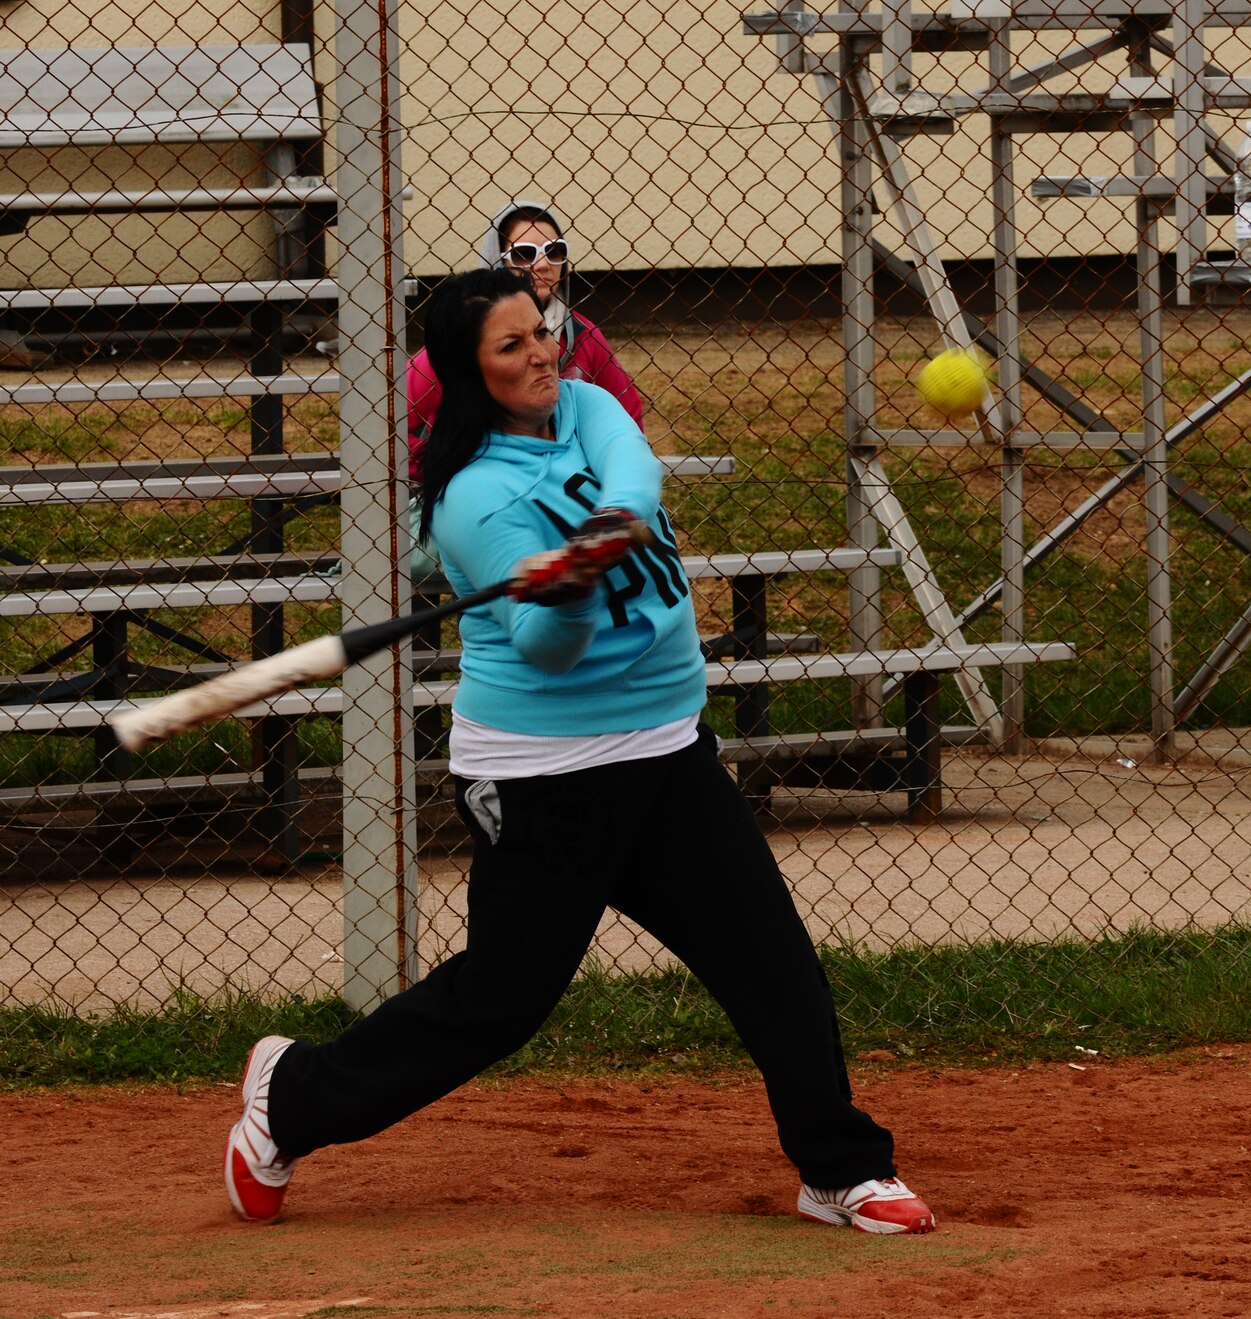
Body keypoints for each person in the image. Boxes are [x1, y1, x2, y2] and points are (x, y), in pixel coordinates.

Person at [224, 267, 935, 1237]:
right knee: (499, 1003)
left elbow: (635, 475)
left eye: (541, 330)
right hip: (543, 781)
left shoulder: (588, 408)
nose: (540, 353)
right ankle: (291, 1094)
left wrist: (600, 536)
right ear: (471, 376)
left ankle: (840, 1167)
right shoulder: (473, 502)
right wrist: (558, 595)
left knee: (770, 960)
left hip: (665, 753)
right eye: (510, 346)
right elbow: (550, 652)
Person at [407, 200, 645, 465]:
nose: (543, 265)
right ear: (496, 258)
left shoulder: (582, 335)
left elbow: (628, 414)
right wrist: (438, 468)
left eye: (555, 251)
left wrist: (604, 469)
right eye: (524, 253)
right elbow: (395, 419)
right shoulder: (458, 339)